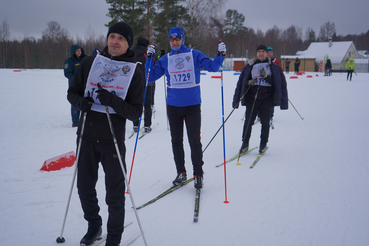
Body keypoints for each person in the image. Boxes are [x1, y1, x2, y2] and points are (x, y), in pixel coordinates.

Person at [67, 22, 145, 246]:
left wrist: (113, 101)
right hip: (86, 137)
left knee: (114, 193)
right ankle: (94, 225)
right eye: (112, 36)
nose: (115, 41)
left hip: (112, 139)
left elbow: (135, 113)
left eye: (121, 37)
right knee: (84, 188)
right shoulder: (90, 62)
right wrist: (82, 103)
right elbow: (72, 92)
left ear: (128, 42)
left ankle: (114, 237)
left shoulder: (135, 71)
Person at [145, 27, 226, 189]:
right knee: (176, 141)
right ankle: (181, 172)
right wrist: (149, 58)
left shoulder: (194, 54)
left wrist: (220, 55)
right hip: (173, 106)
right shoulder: (166, 59)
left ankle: (198, 174)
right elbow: (149, 76)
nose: (175, 42)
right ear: (169, 41)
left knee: (194, 141)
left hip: (192, 105)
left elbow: (213, 67)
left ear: (183, 39)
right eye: (172, 40)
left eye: (178, 39)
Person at [232, 45, 288, 154]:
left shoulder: (273, 66)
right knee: (248, 122)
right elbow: (241, 83)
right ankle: (245, 144)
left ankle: (263, 144)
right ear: (256, 53)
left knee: (265, 123)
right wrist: (249, 83)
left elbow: (278, 83)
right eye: (259, 52)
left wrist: (266, 76)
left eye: (263, 52)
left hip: (266, 98)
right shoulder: (250, 65)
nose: (261, 54)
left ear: (267, 53)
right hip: (252, 98)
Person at [131, 37, 156, 133]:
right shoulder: (147, 53)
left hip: (134, 84)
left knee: (136, 104)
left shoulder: (132, 53)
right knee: (147, 104)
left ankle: (135, 124)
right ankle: (147, 125)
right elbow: (154, 63)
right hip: (147, 83)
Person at [64, 44, 87, 127]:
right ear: (73, 52)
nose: (79, 52)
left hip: (84, 85)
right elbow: (67, 73)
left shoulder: (84, 59)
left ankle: (82, 120)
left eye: (80, 50)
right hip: (74, 86)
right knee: (75, 103)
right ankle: (75, 122)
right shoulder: (69, 62)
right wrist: (76, 79)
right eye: (77, 51)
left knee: (83, 102)